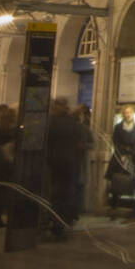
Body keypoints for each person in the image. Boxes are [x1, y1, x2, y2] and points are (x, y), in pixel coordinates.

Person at [44, 98, 92, 238]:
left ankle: (55, 221)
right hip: (70, 164)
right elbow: (83, 143)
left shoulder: (51, 123)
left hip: (54, 164)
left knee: (56, 194)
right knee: (65, 193)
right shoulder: (74, 124)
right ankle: (62, 222)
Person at [108, 105, 135, 212]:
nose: (128, 115)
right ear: (123, 114)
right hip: (119, 157)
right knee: (116, 179)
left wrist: (131, 152)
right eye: (126, 112)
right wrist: (121, 152)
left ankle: (129, 203)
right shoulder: (118, 127)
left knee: (129, 180)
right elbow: (115, 141)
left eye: (130, 112)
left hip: (130, 157)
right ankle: (114, 204)